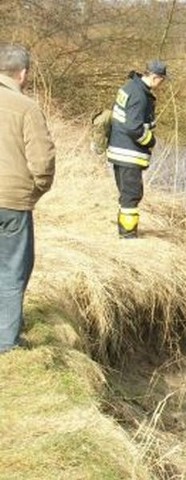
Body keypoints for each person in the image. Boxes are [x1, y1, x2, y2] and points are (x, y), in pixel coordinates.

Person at [0, 43, 56, 353]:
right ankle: (6, 345)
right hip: (11, 201)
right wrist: (36, 190)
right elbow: (43, 161)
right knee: (12, 269)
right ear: (23, 74)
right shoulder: (26, 108)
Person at [106, 59, 168, 239]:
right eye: (162, 80)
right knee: (131, 196)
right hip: (128, 154)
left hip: (119, 149)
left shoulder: (129, 87)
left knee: (126, 195)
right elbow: (133, 127)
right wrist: (150, 140)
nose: (161, 84)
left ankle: (125, 231)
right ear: (155, 77)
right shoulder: (140, 95)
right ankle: (128, 235)